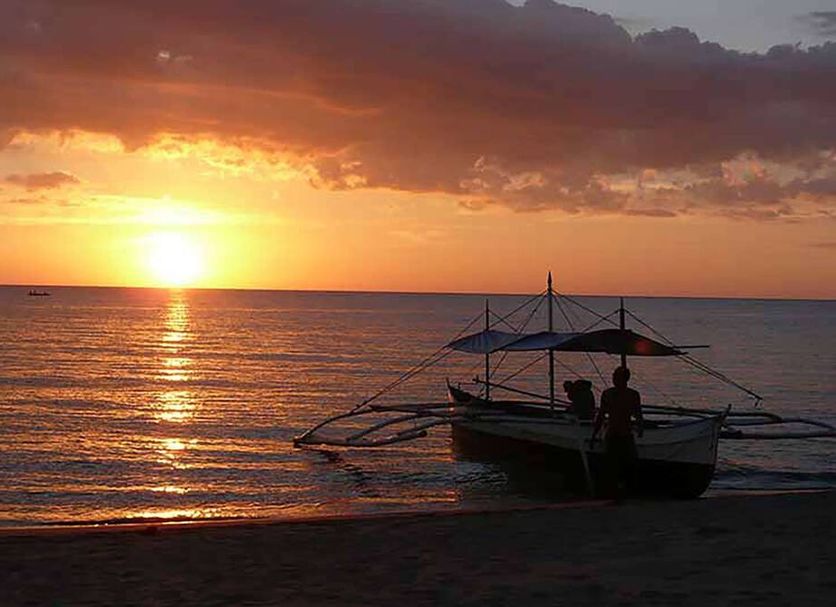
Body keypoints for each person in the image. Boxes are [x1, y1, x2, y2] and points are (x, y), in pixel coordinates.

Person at [590, 366, 643, 496]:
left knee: (629, 464)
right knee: (611, 465)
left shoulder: (632, 395)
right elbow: (601, 416)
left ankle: (627, 490)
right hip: (612, 434)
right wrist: (594, 435)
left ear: (624, 379)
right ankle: (612, 490)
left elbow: (638, 414)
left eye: (616, 377)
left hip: (625, 434)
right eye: (614, 376)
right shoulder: (608, 394)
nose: (613, 379)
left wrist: (640, 427)